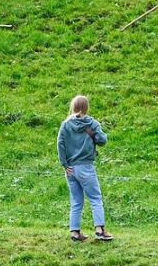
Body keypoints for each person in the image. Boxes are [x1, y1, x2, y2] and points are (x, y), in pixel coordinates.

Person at [57, 95, 112, 242]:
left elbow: (60, 145)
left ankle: (75, 232)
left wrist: (64, 165)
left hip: (70, 169)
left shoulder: (65, 124)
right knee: (95, 198)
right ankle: (100, 230)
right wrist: (95, 132)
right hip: (85, 166)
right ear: (86, 108)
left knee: (76, 201)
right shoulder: (91, 123)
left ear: (72, 107)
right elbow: (102, 140)